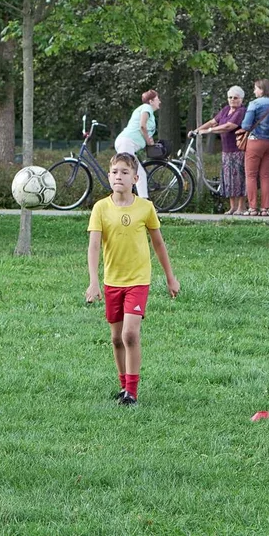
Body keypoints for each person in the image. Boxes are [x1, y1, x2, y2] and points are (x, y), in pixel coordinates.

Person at [85, 153, 181, 406]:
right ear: (109, 177)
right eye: (115, 171)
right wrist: (93, 282)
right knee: (116, 338)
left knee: (129, 334)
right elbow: (94, 246)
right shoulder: (101, 208)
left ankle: (132, 392)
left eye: (125, 172)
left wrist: (170, 277)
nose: (119, 176)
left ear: (135, 178)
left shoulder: (145, 208)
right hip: (112, 281)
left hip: (138, 279)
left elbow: (158, 243)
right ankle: (123, 385)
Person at [194, 87, 246, 215]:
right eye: (230, 97)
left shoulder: (241, 111)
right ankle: (232, 207)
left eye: (235, 97)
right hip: (226, 150)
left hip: (237, 150)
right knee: (228, 179)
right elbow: (213, 121)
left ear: (241, 99)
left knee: (239, 178)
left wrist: (209, 131)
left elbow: (229, 126)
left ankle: (241, 207)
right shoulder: (226, 110)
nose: (232, 100)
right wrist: (197, 130)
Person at [239, 79, 269, 215]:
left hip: (255, 141)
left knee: (251, 175)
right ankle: (265, 208)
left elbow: (245, 125)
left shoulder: (254, 103)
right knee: (266, 175)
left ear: (262, 90)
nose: (254, 91)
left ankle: (252, 207)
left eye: (256, 88)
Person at [115, 90, 160, 198]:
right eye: (158, 99)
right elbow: (142, 126)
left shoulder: (149, 112)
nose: (160, 101)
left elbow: (145, 129)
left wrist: (149, 139)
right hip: (127, 143)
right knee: (138, 174)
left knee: (131, 174)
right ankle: (143, 203)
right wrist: (149, 142)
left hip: (127, 143)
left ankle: (127, 200)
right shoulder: (146, 107)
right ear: (151, 101)